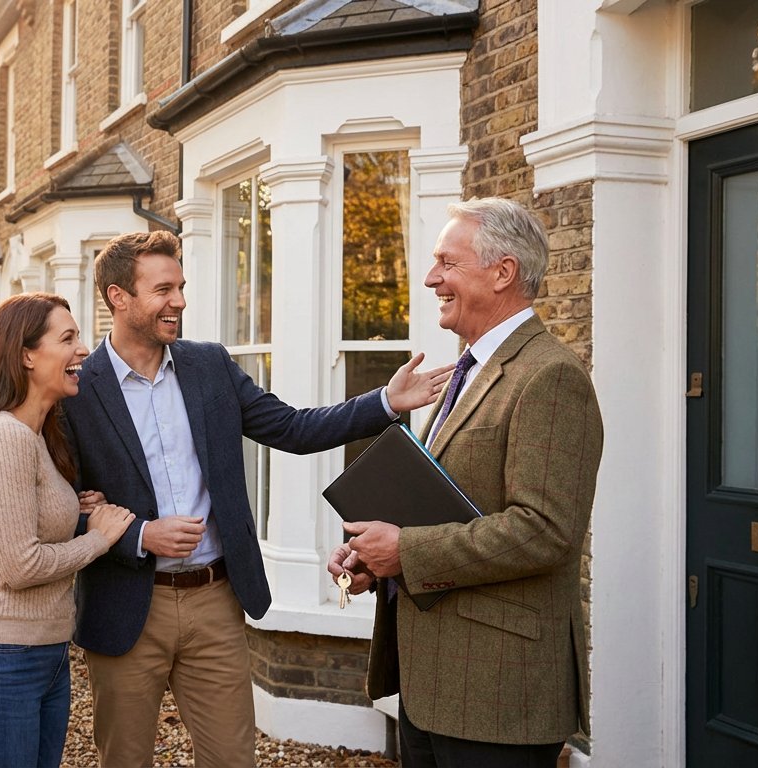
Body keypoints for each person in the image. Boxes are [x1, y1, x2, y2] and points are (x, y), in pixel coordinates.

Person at [59, 230, 453, 768]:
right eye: (163, 289)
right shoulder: (79, 388)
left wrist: (385, 401)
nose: (179, 301)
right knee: (124, 760)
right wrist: (139, 535)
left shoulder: (209, 366)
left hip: (215, 599)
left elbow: (292, 428)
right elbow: (60, 509)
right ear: (117, 297)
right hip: (126, 604)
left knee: (233, 759)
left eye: (181, 287)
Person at [328, 197, 604, 768]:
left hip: (498, 692)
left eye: (446, 263)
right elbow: (444, 503)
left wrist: (404, 549)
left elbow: (545, 530)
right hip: (432, 685)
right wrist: (373, 556)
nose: (432, 279)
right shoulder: (470, 370)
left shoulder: (549, 375)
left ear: (503, 272)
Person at [0, 292, 136, 768]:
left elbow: (34, 523)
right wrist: (99, 538)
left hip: (42, 654)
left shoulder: (37, 434)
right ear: (27, 354)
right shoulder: (6, 436)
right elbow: (20, 565)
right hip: (0, 659)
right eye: (67, 338)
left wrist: (79, 510)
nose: (83, 350)